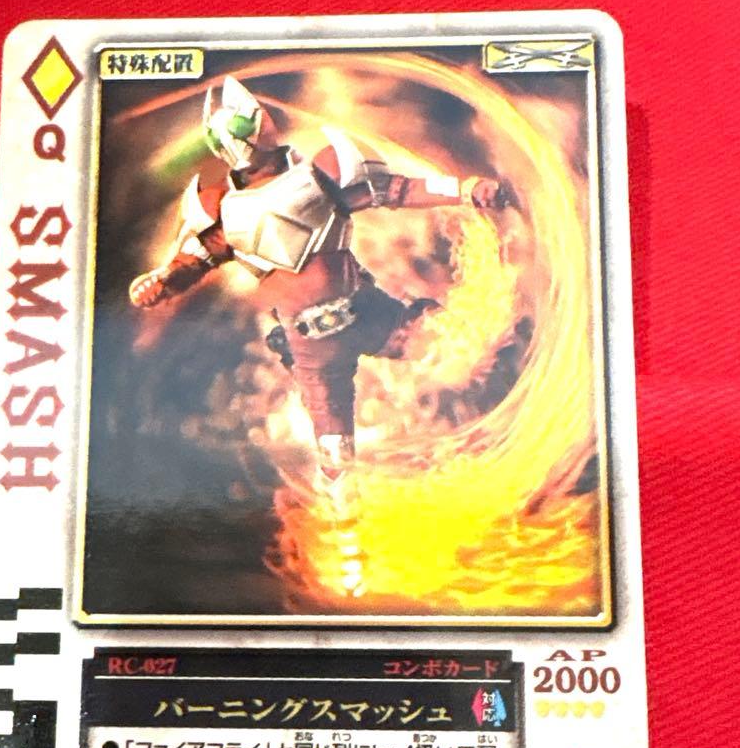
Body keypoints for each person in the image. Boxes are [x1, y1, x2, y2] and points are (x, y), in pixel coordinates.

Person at [129, 75, 516, 481]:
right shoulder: (223, 208)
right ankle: (347, 502)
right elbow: (193, 261)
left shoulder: (319, 175)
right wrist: (162, 284)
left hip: (365, 309)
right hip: (312, 341)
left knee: (447, 348)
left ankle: (482, 434)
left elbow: (396, 190)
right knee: (335, 447)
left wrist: (465, 190)